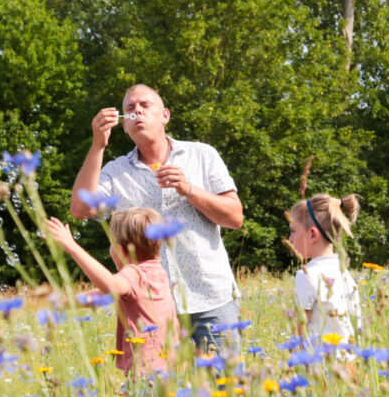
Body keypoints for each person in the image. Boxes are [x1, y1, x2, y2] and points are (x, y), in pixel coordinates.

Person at [70, 84, 244, 356]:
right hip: (150, 308)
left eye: (145, 105)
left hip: (210, 298)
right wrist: (97, 145)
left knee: (226, 390)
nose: (136, 111)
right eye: (129, 108)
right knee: (159, 394)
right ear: (124, 126)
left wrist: (189, 190)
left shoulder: (202, 155)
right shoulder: (115, 172)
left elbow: (235, 217)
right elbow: (81, 209)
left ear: (165, 115)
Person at [45, 207, 180, 380]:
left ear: (121, 250)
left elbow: (110, 287)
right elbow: (102, 294)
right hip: (171, 369)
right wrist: (63, 304)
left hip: (147, 374)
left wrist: (72, 248)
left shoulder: (133, 273)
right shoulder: (157, 271)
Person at [287, 193, 362, 345]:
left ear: (312, 234)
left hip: (322, 363)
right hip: (351, 361)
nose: (290, 239)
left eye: (293, 231)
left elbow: (300, 331)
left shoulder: (307, 275)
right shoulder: (344, 273)